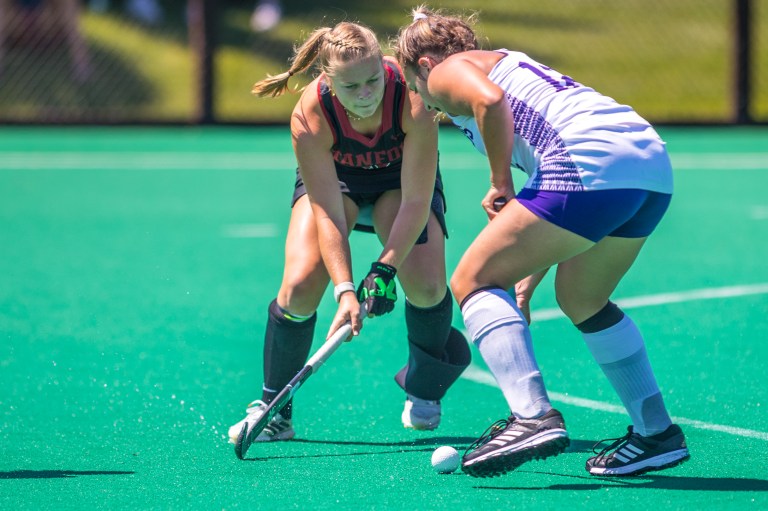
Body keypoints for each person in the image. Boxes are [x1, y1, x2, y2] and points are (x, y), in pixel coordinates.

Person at [394, 7, 690, 478]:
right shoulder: (512, 62)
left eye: (414, 86)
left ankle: (531, 417)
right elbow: (551, 203)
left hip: (589, 163)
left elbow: (490, 104)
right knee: (583, 298)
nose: (424, 101)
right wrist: (527, 282)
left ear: (425, 66)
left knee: (471, 279)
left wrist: (498, 184)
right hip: (647, 164)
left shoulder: (449, 70)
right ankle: (656, 433)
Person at [228, 21, 471, 444]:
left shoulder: (414, 96)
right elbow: (327, 215)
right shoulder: (310, 113)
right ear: (328, 79)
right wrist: (344, 289)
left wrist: (384, 270)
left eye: (373, 79)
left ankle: (425, 385)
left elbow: (415, 202)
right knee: (301, 283)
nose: (366, 94)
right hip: (338, 188)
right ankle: (274, 409)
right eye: (352, 86)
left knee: (427, 284)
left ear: (384, 65)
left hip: (399, 186)